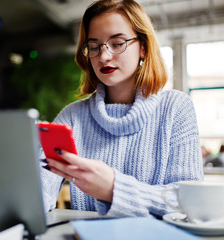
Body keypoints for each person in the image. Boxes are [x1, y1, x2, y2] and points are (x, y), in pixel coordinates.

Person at [40, 0, 203, 218]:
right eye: (94, 46)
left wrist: (113, 189)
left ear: (143, 48)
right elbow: (40, 189)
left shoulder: (176, 108)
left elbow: (190, 202)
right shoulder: (72, 117)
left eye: (117, 43)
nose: (104, 56)